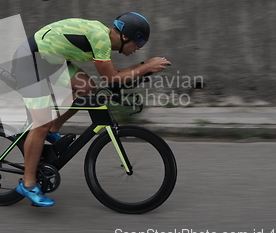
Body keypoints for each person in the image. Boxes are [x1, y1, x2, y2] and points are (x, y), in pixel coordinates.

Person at [12, 12, 171, 207]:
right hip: (30, 61)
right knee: (40, 124)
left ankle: (54, 129)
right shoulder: (100, 39)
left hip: (50, 61)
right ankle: (28, 184)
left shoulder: (103, 38)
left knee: (87, 90)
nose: (138, 48)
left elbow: (114, 77)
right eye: (139, 41)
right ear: (125, 36)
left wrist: (144, 67)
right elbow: (112, 78)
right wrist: (146, 66)